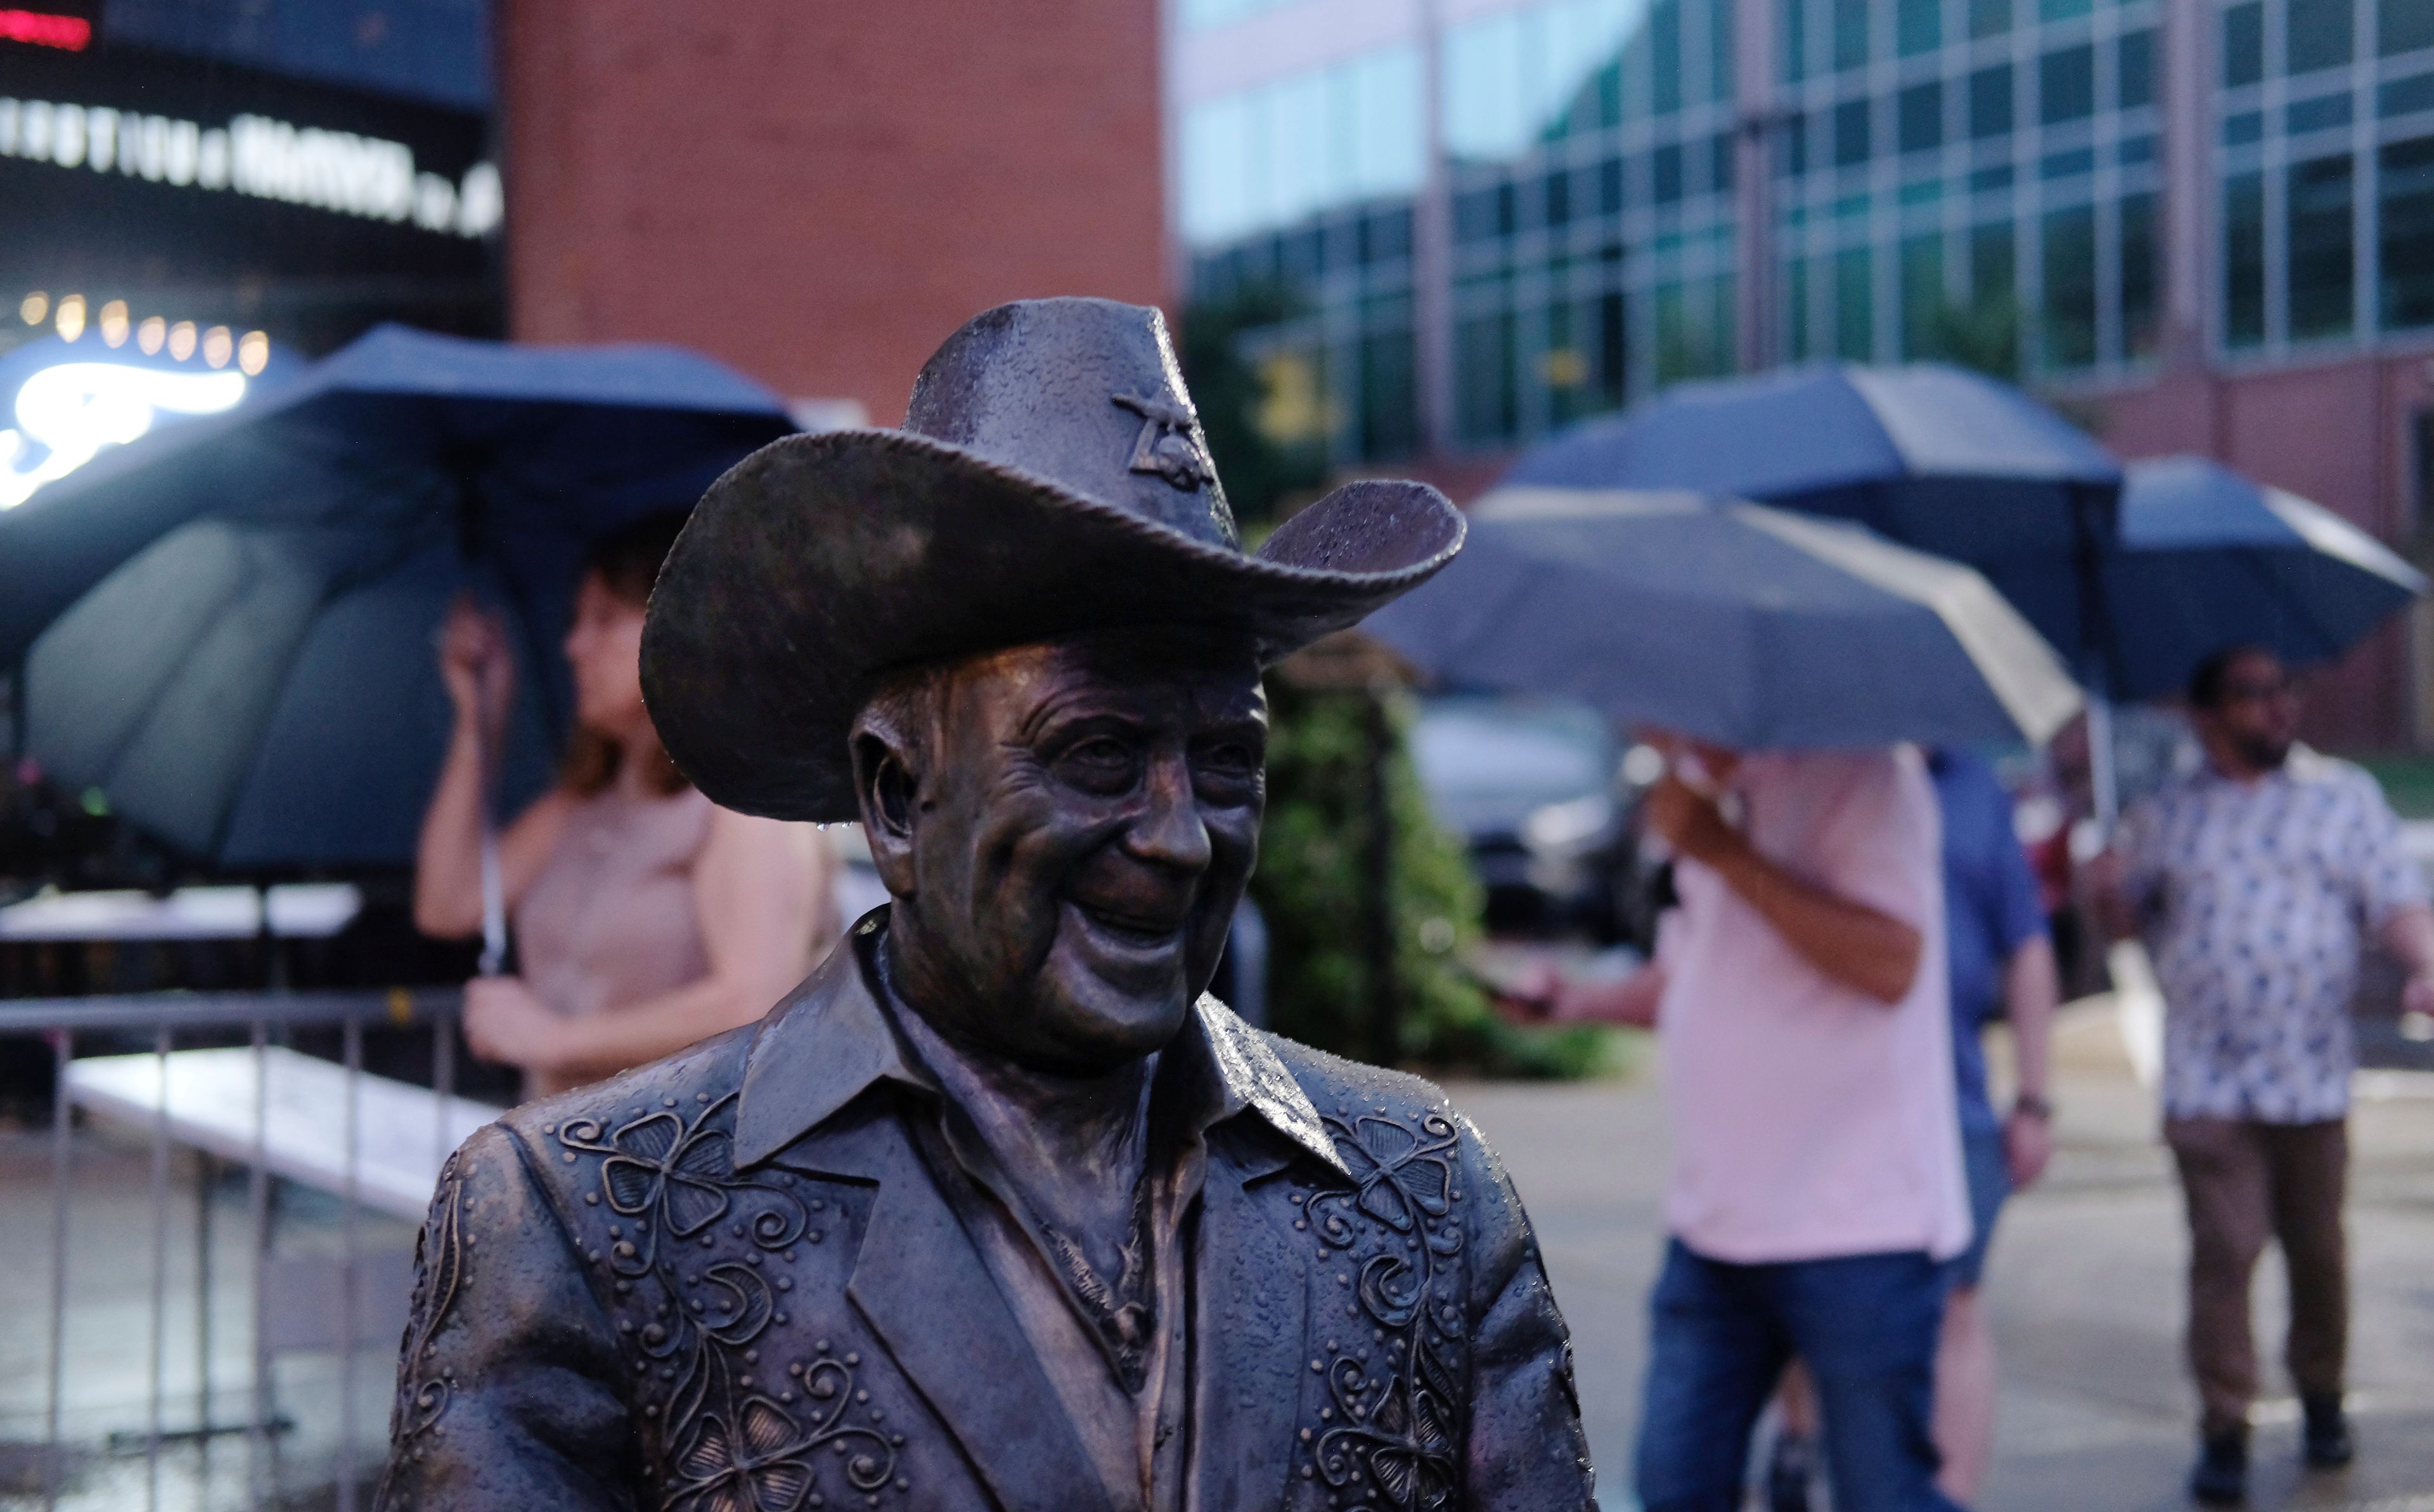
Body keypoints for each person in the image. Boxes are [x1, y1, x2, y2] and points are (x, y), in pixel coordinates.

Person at [374, 297, 1592, 1512]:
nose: (1178, 837)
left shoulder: (1427, 1193)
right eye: (1099, 756)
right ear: (898, 795)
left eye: (1227, 761)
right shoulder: (577, 1224)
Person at [1517, 731, 1968, 1512]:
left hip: (1858, 1224)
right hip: (1714, 1224)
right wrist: (1578, 1001)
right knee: (1676, 1485)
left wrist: (1725, 851)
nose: (1633, 723)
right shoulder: (1698, 784)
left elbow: (1891, 962)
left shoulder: (1867, 775)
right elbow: (1693, 974)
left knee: (1882, 1493)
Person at [2092, 645, 2434, 1505]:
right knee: (2225, 1252)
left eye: (2287, 690)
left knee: (2317, 1251)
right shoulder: (2167, 813)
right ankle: (2224, 1423)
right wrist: (2102, 888)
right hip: (2211, 1081)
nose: (2279, 709)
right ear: (2209, 716)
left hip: (2311, 1076)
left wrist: (2426, 965)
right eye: (2254, 696)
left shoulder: (2342, 798)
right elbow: (2125, 922)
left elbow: (2395, 898)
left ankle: (2321, 1394)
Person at [413, 511, 836, 1098]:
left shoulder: (742, 809)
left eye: (605, 619)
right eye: (575, 620)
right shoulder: (577, 809)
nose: (573, 645)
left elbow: (756, 997)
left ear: (683, 631)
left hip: (680, 1166)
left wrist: (556, 1040)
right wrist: (477, 722)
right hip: (570, 1166)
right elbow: (446, 905)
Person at [1763, 745, 2059, 1509]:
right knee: (1801, 1294)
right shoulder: (1814, 773)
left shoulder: (1975, 791)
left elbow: (2026, 945)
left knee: (1959, 1302)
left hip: (1949, 1100)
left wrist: (2034, 1096)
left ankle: (1949, 1495)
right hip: (1819, 1098)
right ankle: (1797, 1435)